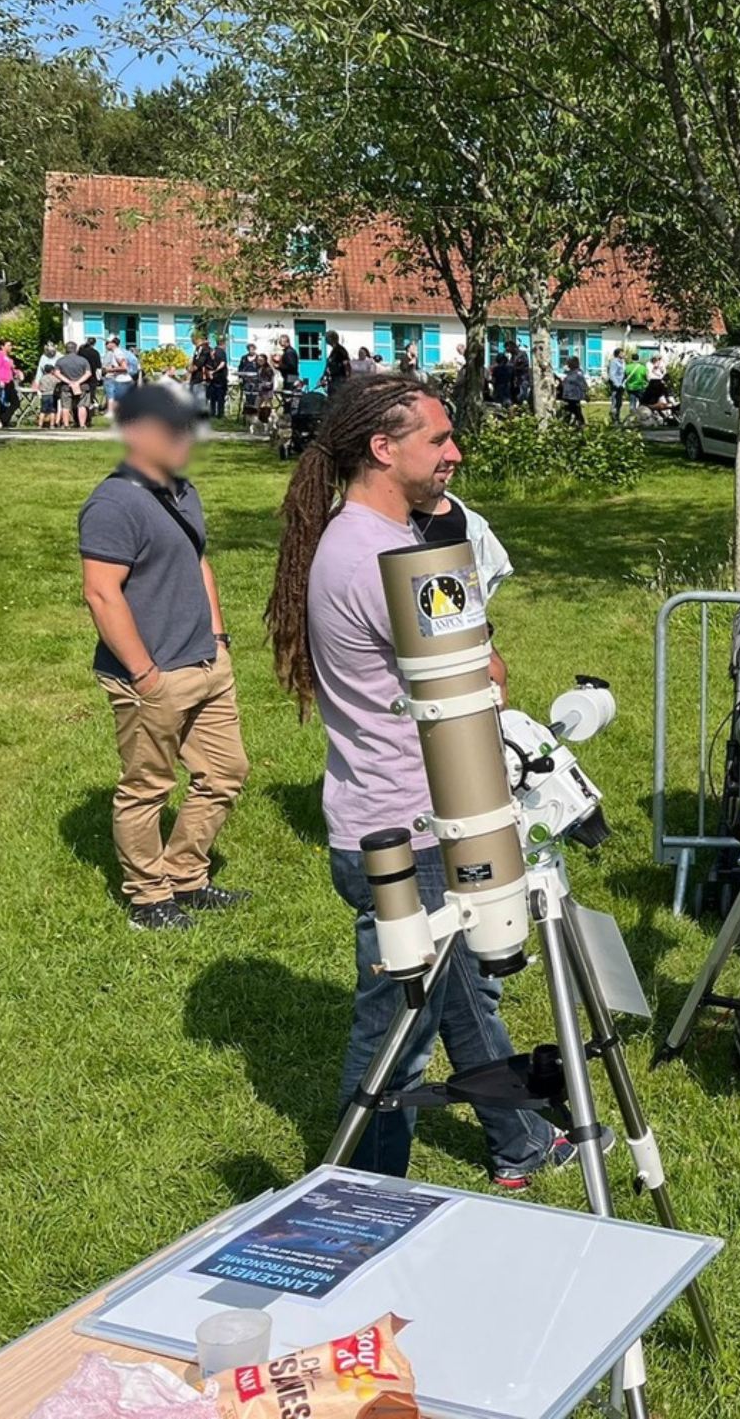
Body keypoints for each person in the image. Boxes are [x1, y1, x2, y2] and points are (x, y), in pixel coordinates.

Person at [266, 374, 574, 1187]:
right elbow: (486, 680)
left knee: (463, 990)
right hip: (417, 830)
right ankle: (355, 1198)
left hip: (392, 815)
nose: (455, 452)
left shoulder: (352, 538)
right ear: (382, 448)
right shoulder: (390, 559)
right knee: (396, 1041)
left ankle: (521, 1143)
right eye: (438, 438)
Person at [78, 383, 250, 931]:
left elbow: (200, 563)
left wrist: (219, 641)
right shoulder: (113, 503)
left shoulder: (182, 491)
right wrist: (145, 674)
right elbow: (101, 593)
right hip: (152, 674)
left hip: (206, 663)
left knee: (225, 774)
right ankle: (148, 898)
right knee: (147, 787)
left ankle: (186, 876)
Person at [57, 340, 96, 427]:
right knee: (81, 406)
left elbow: (57, 373)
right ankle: (82, 425)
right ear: (76, 349)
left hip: (66, 387)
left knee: (65, 407)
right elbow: (88, 373)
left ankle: (66, 425)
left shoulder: (60, 361)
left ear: (66, 349)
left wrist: (69, 381)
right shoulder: (83, 360)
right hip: (82, 386)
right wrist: (78, 382)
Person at [0, 341, 18, 427]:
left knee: (14, 402)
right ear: (2, 346)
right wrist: (0, 380)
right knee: (3, 401)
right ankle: (3, 420)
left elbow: (10, 370)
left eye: (11, 345)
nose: (11, 347)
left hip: (8, 381)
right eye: (8, 345)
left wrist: (17, 372)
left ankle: (4, 420)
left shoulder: (8, 357)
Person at [557, 355, 589, 426]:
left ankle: (581, 424)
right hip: (567, 396)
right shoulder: (570, 372)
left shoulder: (578, 373)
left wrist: (585, 394)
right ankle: (567, 425)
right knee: (567, 412)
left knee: (577, 412)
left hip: (574, 397)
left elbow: (583, 384)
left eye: (568, 363)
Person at [606, 345, 629, 424]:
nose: (624, 354)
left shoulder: (623, 362)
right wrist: (616, 384)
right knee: (615, 401)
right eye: (622, 353)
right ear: (618, 354)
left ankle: (617, 417)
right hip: (616, 385)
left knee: (619, 402)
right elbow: (612, 374)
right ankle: (614, 418)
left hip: (621, 385)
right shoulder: (614, 362)